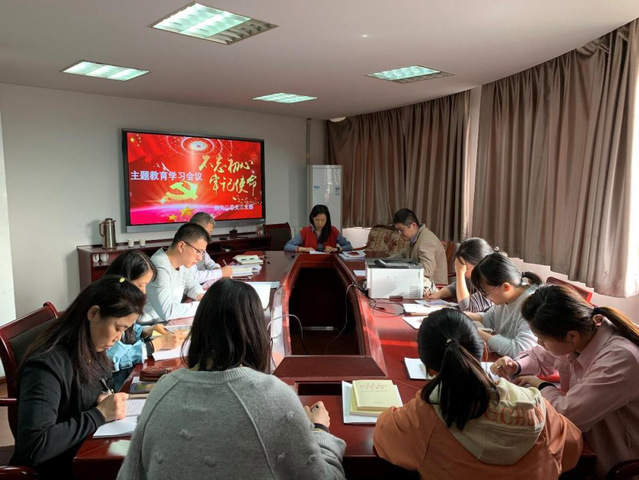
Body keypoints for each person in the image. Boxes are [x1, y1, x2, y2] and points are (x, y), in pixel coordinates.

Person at [117, 278, 347, 479]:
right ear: (256, 331)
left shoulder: (161, 390)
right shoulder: (274, 396)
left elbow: (131, 474)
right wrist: (319, 431)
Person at [373, 308, 582, 479]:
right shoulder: (537, 408)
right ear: (484, 352)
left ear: (429, 369)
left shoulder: (425, 415)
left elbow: (383, 436)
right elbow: (572, 447)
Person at [491, 285, 639, 477]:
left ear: (572, 336)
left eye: (542, 339)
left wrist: (541, 385)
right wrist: (515, 365)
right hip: (585, 440)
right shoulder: (582, 334)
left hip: (616, 458)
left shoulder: (620, 358)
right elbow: (539, 356)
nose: (539, 343)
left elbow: (567, 414)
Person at [11, 275, 144, 479]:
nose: (118, 338)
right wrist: (99, 414)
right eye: (118, 328)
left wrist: (102, 399)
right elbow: (34, 446)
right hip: (59, 468)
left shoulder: (91, 347)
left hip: (84, 451)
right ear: (93, 313)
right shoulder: (45, 366)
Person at [105, 251, 187, 391]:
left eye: (145, 286)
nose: (143, 292)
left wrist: (146, 330)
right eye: (140, 285)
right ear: (124, 280)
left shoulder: (124, 302)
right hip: (114, 385)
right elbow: (112, 358)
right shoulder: (109, 307)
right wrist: (155, 345)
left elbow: (128, 329)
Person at [466, 252, 541, 357]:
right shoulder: (507, 296)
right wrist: (461, 316)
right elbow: (489, 318)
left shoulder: (531, 304)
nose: (485, 297)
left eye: (486, 293)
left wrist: (475, 332)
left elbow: (521, 350)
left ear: (506, 287)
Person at [145, 223, 208, 322]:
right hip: (151, 325)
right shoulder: (159, 266)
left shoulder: (182, 262)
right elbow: (168, 312)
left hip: (171, 320)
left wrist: (201, 295)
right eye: (198, 251)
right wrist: (204, 305)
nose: (200, 258)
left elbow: (191, 286)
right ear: (181, 246)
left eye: (202, 253)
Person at [428, 237, 495, 312]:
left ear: (480, 264)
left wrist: (460, 273)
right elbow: (455, 287)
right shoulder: (475, 277)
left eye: (466, 268)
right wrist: (437, 294)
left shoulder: (491, 283)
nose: (464, 272)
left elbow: (466, 308)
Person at [392, 208, 447, 291]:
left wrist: (403, 272)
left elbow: (427, 270)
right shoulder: (414, 238)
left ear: (413, 225)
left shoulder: (426, 240)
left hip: (433, 290)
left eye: (401, 230)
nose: (399, 234)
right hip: (419, 285)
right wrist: (383, 262)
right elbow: (402, 255)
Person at [284, 204, 352, 253]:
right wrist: (305, 249)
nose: (320, 223)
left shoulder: (333, 230)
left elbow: (349, 246)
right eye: (317, 220)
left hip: (329, 263)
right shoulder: (305, 231)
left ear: (327, 219)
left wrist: (336, 249)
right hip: (309, 263)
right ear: (312, 218)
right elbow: (287, 246)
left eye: (323, 220)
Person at [188, 212, 232, 284]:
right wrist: (220, 272)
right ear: (197, 229)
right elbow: (194, 277)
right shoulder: (187, 247)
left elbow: (208, 261)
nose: (209, 236)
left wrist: (216, 268)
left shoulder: (199, 243)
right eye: (208, 232)